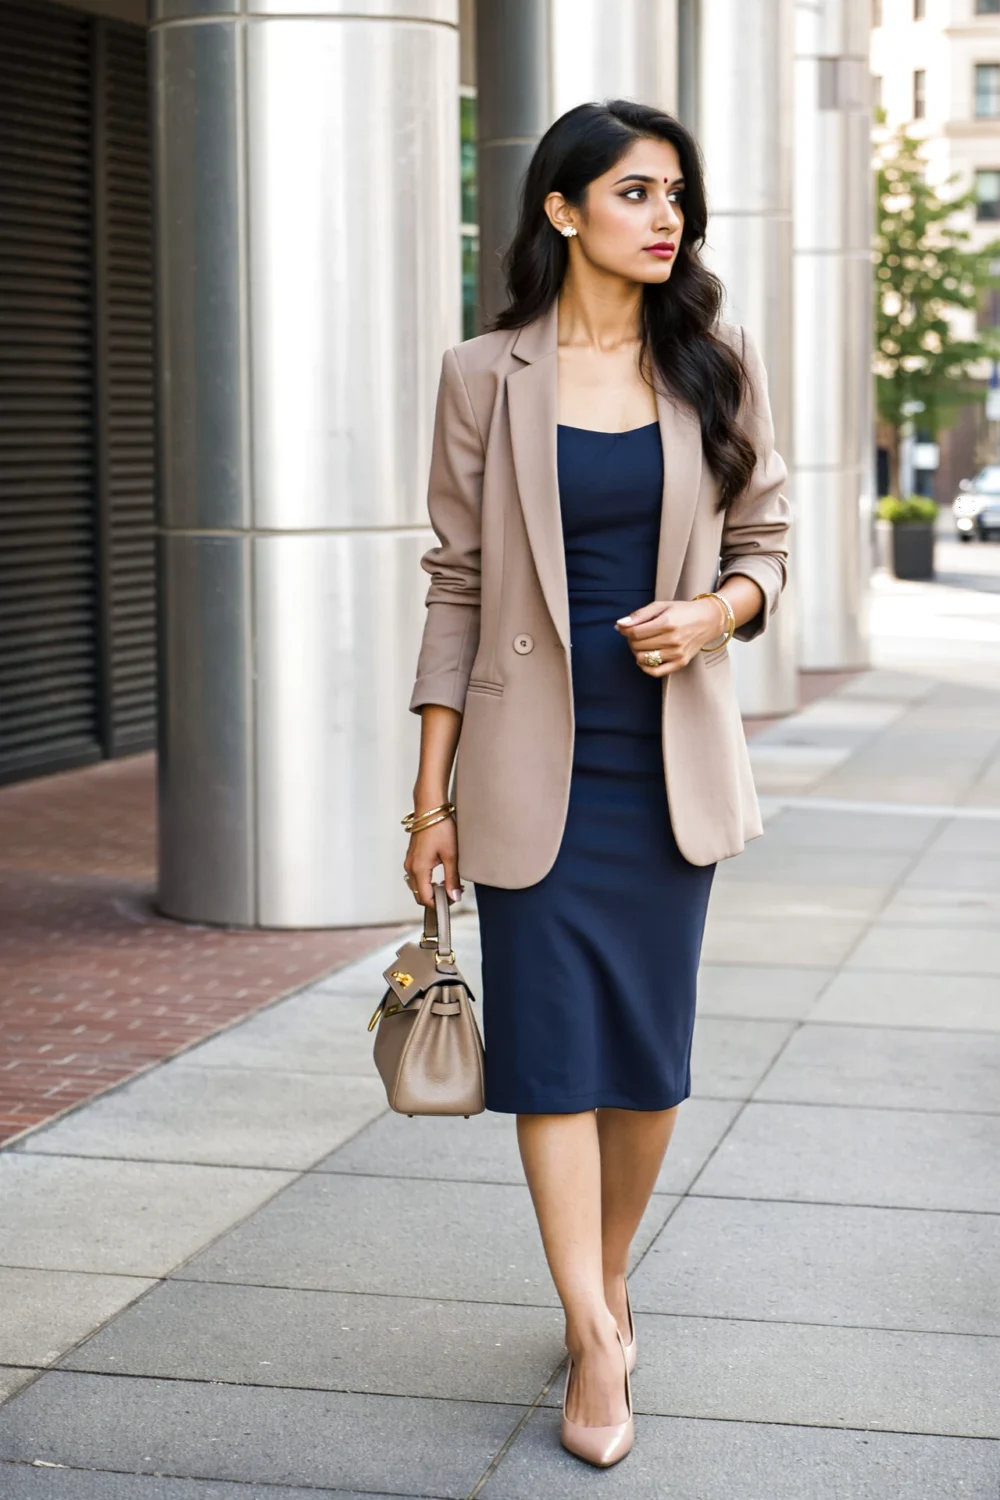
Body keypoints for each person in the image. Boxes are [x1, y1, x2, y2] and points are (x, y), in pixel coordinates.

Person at [402, 99, 791, 1469]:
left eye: (676, 191)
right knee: (552, 1055)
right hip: (526, 761)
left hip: (663, 758)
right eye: (636, 191)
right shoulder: (480, 373)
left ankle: (607, 1272)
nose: (666, 214)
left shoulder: (714, 362)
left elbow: (770, 541)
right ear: (563, 210)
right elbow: (454, 586)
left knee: (647, 1060)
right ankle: (590, 1329)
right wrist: (429, 797)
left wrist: (717, 615)